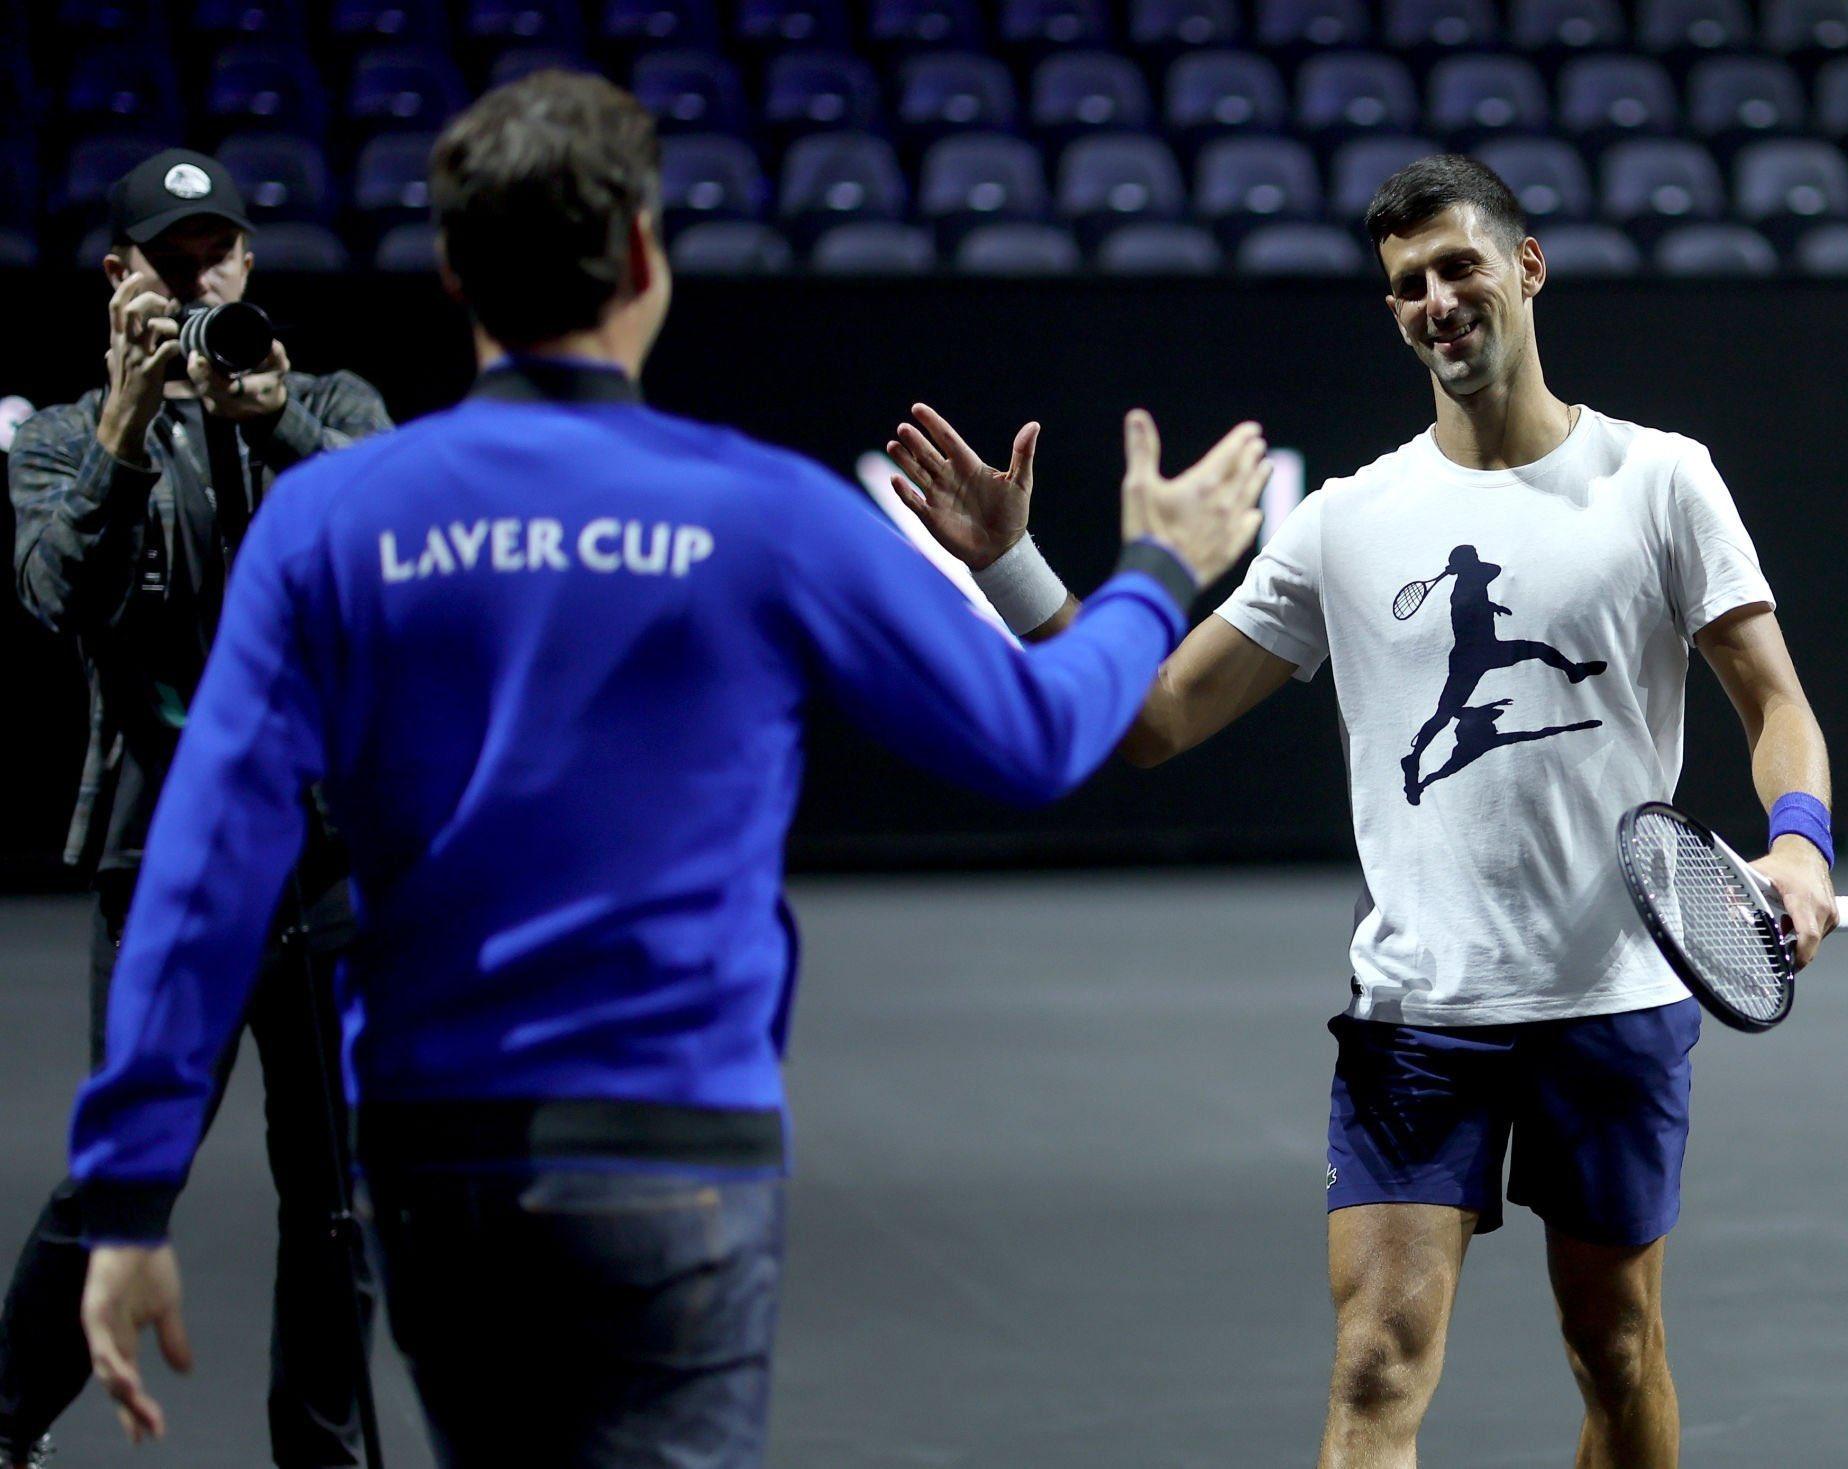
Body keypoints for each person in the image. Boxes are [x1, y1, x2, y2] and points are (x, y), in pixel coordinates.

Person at [65, 72, 1269, 1468]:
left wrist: (131, 1188)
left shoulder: (330, 518)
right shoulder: (761, 510)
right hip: (674, 1155)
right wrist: (1155, 574)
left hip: (428, 1162)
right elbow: (1039, 734)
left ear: (455, 272)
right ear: (644, 258)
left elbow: (207, 862)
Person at [883, 154, 1842, 1468]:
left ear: (1528, 266)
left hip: (1615, 1004)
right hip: (1416, 1016)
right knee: (1378, 1354)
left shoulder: (1662, 479)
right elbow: (1156, 717)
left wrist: (1798, 840)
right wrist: (1012, 564)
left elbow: (1774, 701)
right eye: (1407, 285)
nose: (1436, 301)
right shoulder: (1345, 522)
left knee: (1616, 1344)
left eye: (1459, 267)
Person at [3, 148, 390, 1469]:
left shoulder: (328, 404)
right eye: (169, 262)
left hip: (326, 847)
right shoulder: (62, 433)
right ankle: (2, 1418)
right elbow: (58, 592)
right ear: (120, 279)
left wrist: (269, 414)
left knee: (335, 1188)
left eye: (216, 253)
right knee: (129, 1163)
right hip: (163, 851)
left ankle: (324, 1455)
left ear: (248, 265)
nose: (198, 277)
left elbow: (396, 537)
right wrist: (126, 416)